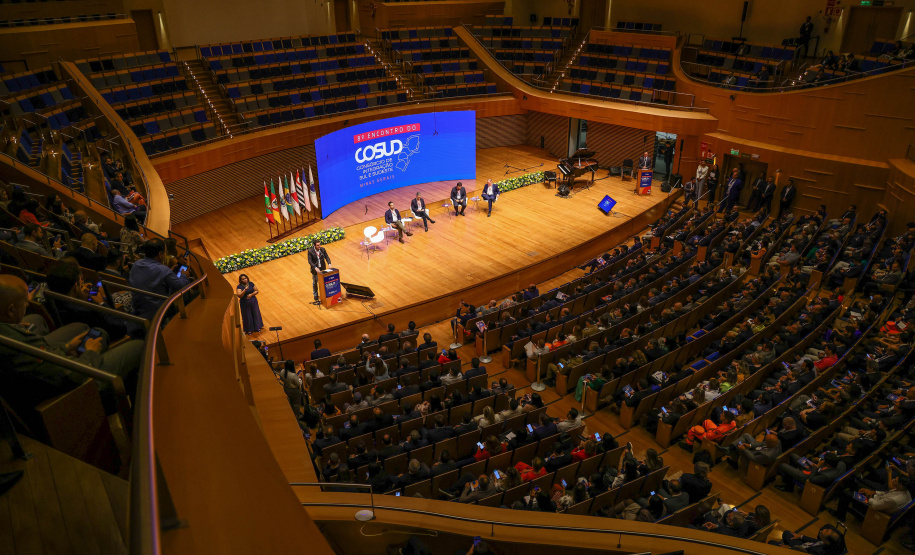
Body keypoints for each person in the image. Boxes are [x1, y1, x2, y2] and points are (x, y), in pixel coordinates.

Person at [0, 275, 144, 414]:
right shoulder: (17, 345)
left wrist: (66, 347)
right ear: (11, 310)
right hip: (71, 390)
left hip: (51, 375)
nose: (27, 303)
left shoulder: (8, 333)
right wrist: (90, 353)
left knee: (93, 331)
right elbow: (73, 376)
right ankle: (136, 418)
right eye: (25, 301)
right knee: (138, 346)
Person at [129, 239, 193, 319]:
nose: (165, 254)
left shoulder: (136, 264)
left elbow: (151, 278)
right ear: (160, 254)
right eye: (164, 252)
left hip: (139, 308)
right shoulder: (163, 270)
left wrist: (170, 272)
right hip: (158, 311)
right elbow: (180, 286)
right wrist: (184, 275)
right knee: (192, 294)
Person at [307, 241, 331, 305]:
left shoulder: (322, 250)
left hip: (322, 269)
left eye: (319, 245)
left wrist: (329, 264)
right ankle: (315, 296)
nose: (319, 246)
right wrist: (315, 267)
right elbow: (310, 261)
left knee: (323, 283)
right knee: (315, 283)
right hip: (315, 270)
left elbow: (327, 257)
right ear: (314, 246)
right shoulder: (310, 251)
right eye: (318, 245)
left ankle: (324, 295)